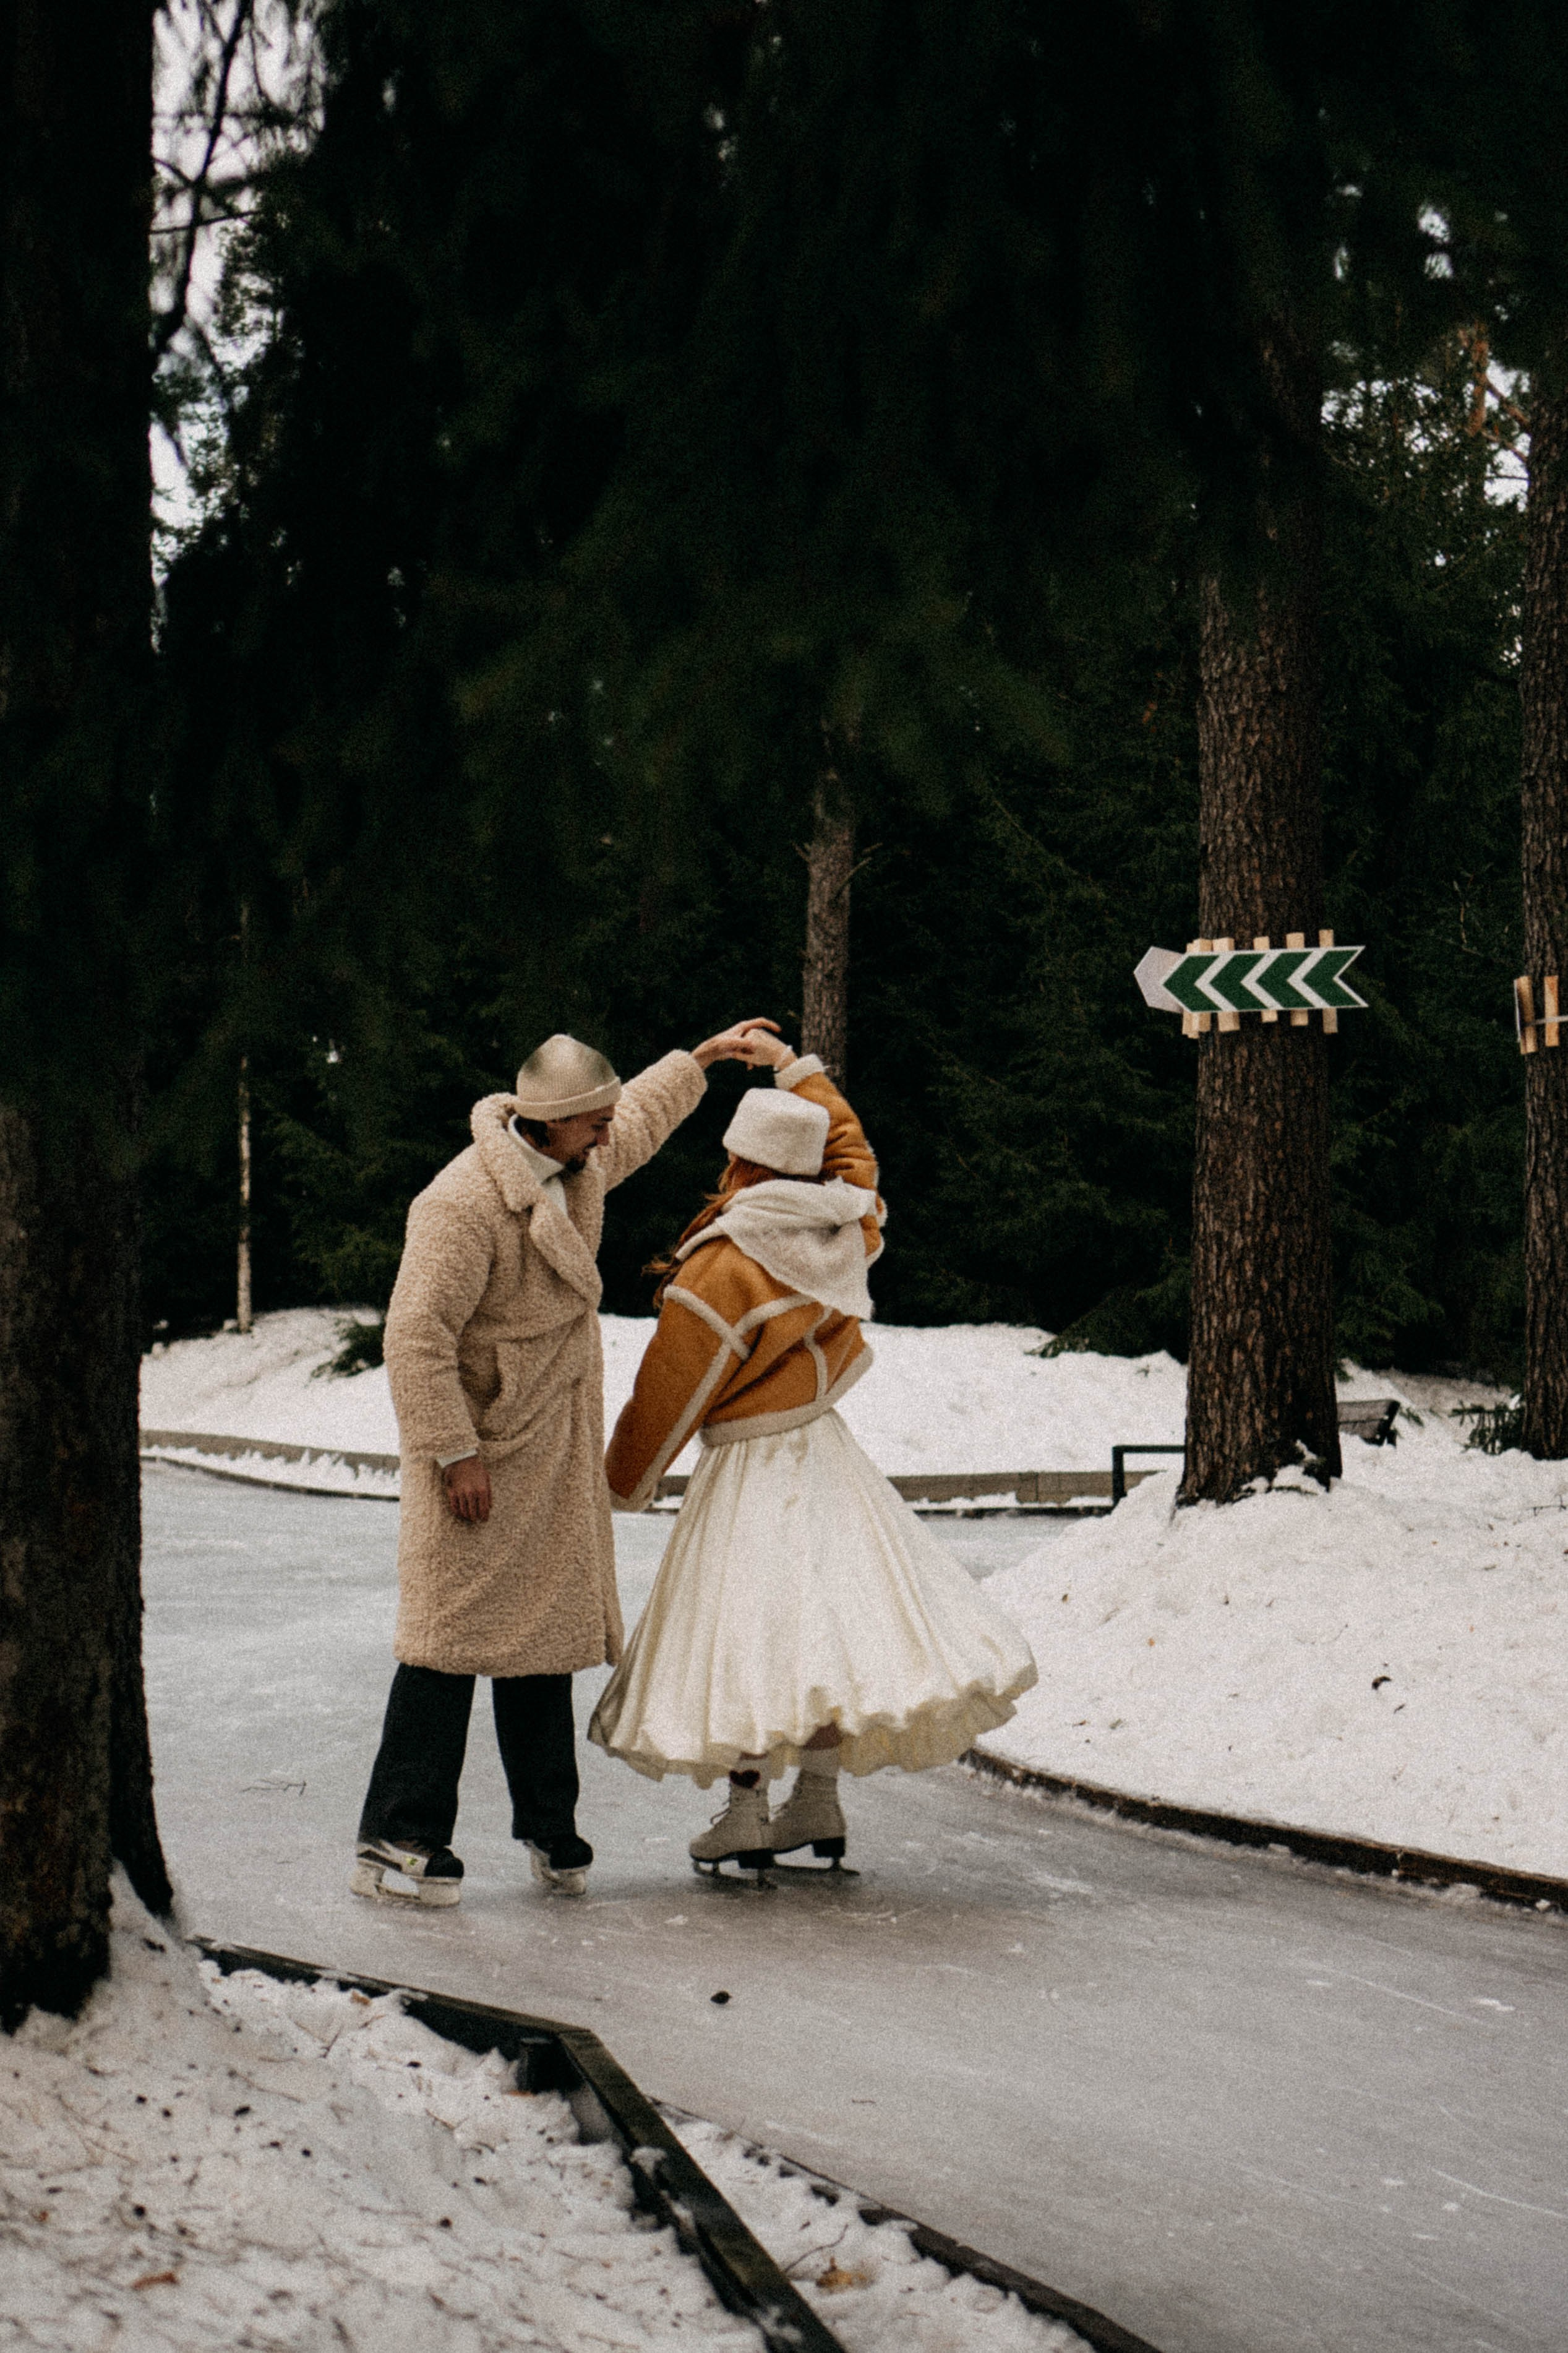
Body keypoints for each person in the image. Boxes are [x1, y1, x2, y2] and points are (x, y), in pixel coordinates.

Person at [353, 1019, 780, 1908]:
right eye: (595, 1121)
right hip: (479, 1454)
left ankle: (549, 1826)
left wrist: (701, 1060)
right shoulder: (461, 1204)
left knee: (542, 1641)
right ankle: (398, 1833)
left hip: (549, 1447)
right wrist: (455, 1452)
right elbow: (415, 1337)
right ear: (551, 1123)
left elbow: (641, 1121)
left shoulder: (574, 1165)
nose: (608, 1133)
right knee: (446, 1645)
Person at [588, 1035, 1038, 1873]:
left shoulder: (723, 1267)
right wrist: (797, 1068)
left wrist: (622, 1483)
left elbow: (672, 1391)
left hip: (752, 1466)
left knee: (754, 1630)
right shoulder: (843, 1226)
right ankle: (818, 1799)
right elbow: (855, 1159)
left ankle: (747, 1811)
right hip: (825, 1455)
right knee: (824, 1625)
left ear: (738, 1163)